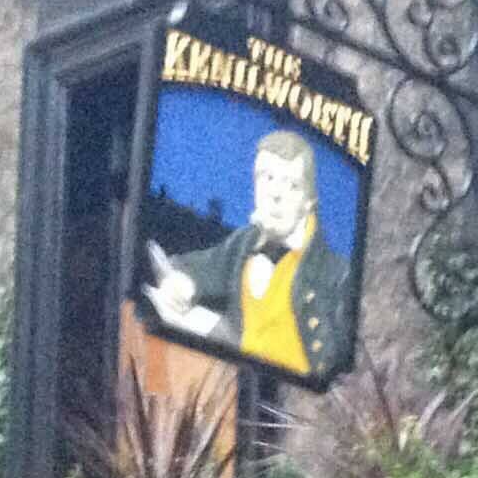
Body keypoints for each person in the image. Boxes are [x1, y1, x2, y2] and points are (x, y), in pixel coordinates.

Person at [143, 128, 350, 380]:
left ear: (309, 201)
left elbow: (336, 366)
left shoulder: (337, 274)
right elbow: (203, 266)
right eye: (267, 178)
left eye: (291, 184)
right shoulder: (245, 242)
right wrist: (181, 281)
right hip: (233, 379)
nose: (275, 194)